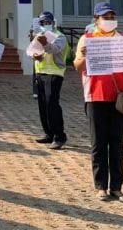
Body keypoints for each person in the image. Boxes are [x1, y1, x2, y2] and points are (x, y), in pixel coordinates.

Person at [73, 1, 123, 203]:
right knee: (98, 143)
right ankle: (100, 186)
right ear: (96, 20)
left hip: (120, 98)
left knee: (117, 143)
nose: (109, 21)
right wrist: (84, 57)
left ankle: (117, 187)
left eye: (112, 17)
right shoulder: (87, 39)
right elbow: (77, 66)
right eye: (105, 17)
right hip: (95, 96)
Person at [29, 11, 69, 149]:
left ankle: (59, 136)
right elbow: (33, 51)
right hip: (40, 72)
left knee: (52, 105)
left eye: (48, 22)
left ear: (53, 22)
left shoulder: (60, 36)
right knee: (43, 105)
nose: (45, 24)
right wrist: (35, 55)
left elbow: (55, 49)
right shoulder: (39, 36)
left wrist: (45, 44)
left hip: (54, 73)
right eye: (43, 22)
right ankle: (49, 133)